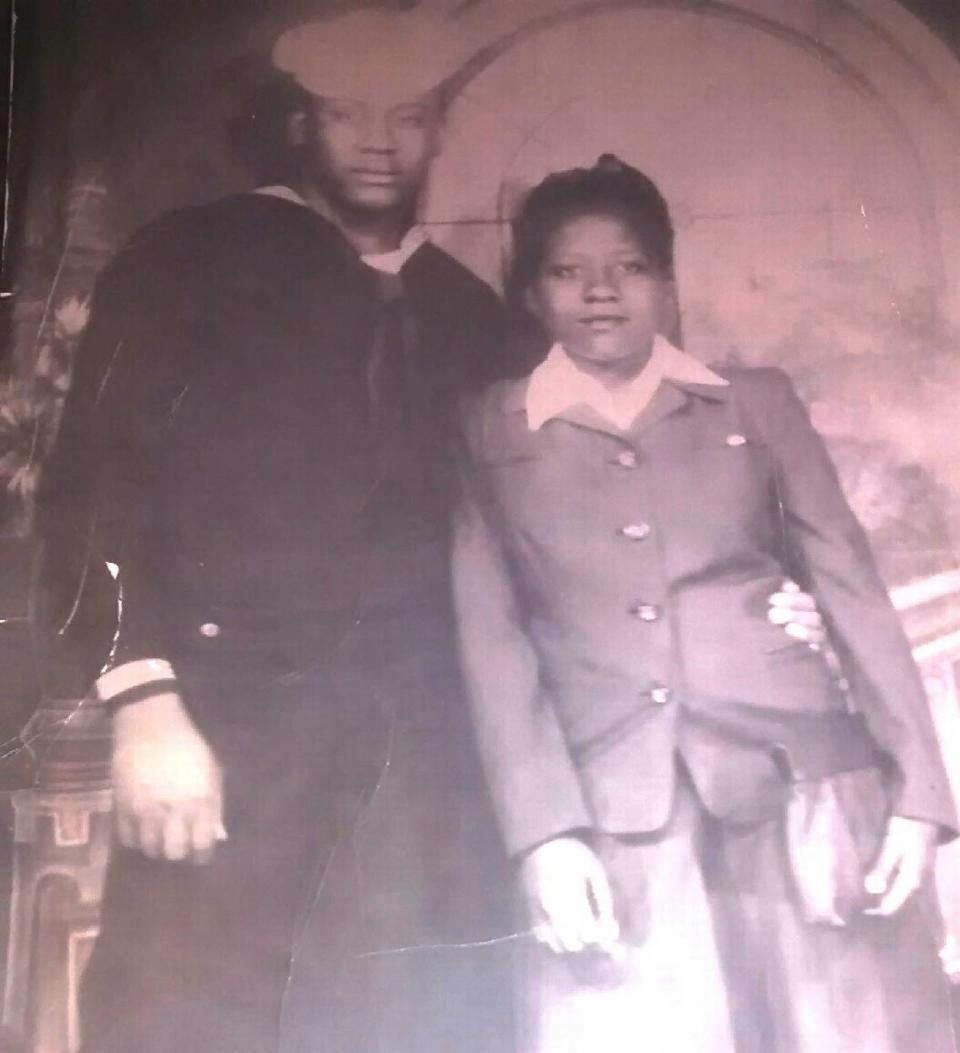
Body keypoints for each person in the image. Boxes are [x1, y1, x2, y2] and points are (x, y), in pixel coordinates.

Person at [34, 10, 826, 1051]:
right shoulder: (188, 260)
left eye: (407, 116)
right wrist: (142, 698)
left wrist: (758, 604)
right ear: (297, 123)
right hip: (224, 741)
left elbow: (573, 526)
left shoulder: (472, 319)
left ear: (435, 132)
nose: (379, 140)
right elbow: (96, 478)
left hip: (428, 783)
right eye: (348, 114)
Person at [451, 156, 956, 1053]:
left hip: (803, 787)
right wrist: (544, 834)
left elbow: (850, 588)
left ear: (669, 284)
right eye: (569, 271)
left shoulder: (754, 402)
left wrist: (920, 794)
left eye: (631, 267)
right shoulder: (490, 427)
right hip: (614, 811)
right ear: (531, 294)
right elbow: (492, 640)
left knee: (847, 1031)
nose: (602, 293)